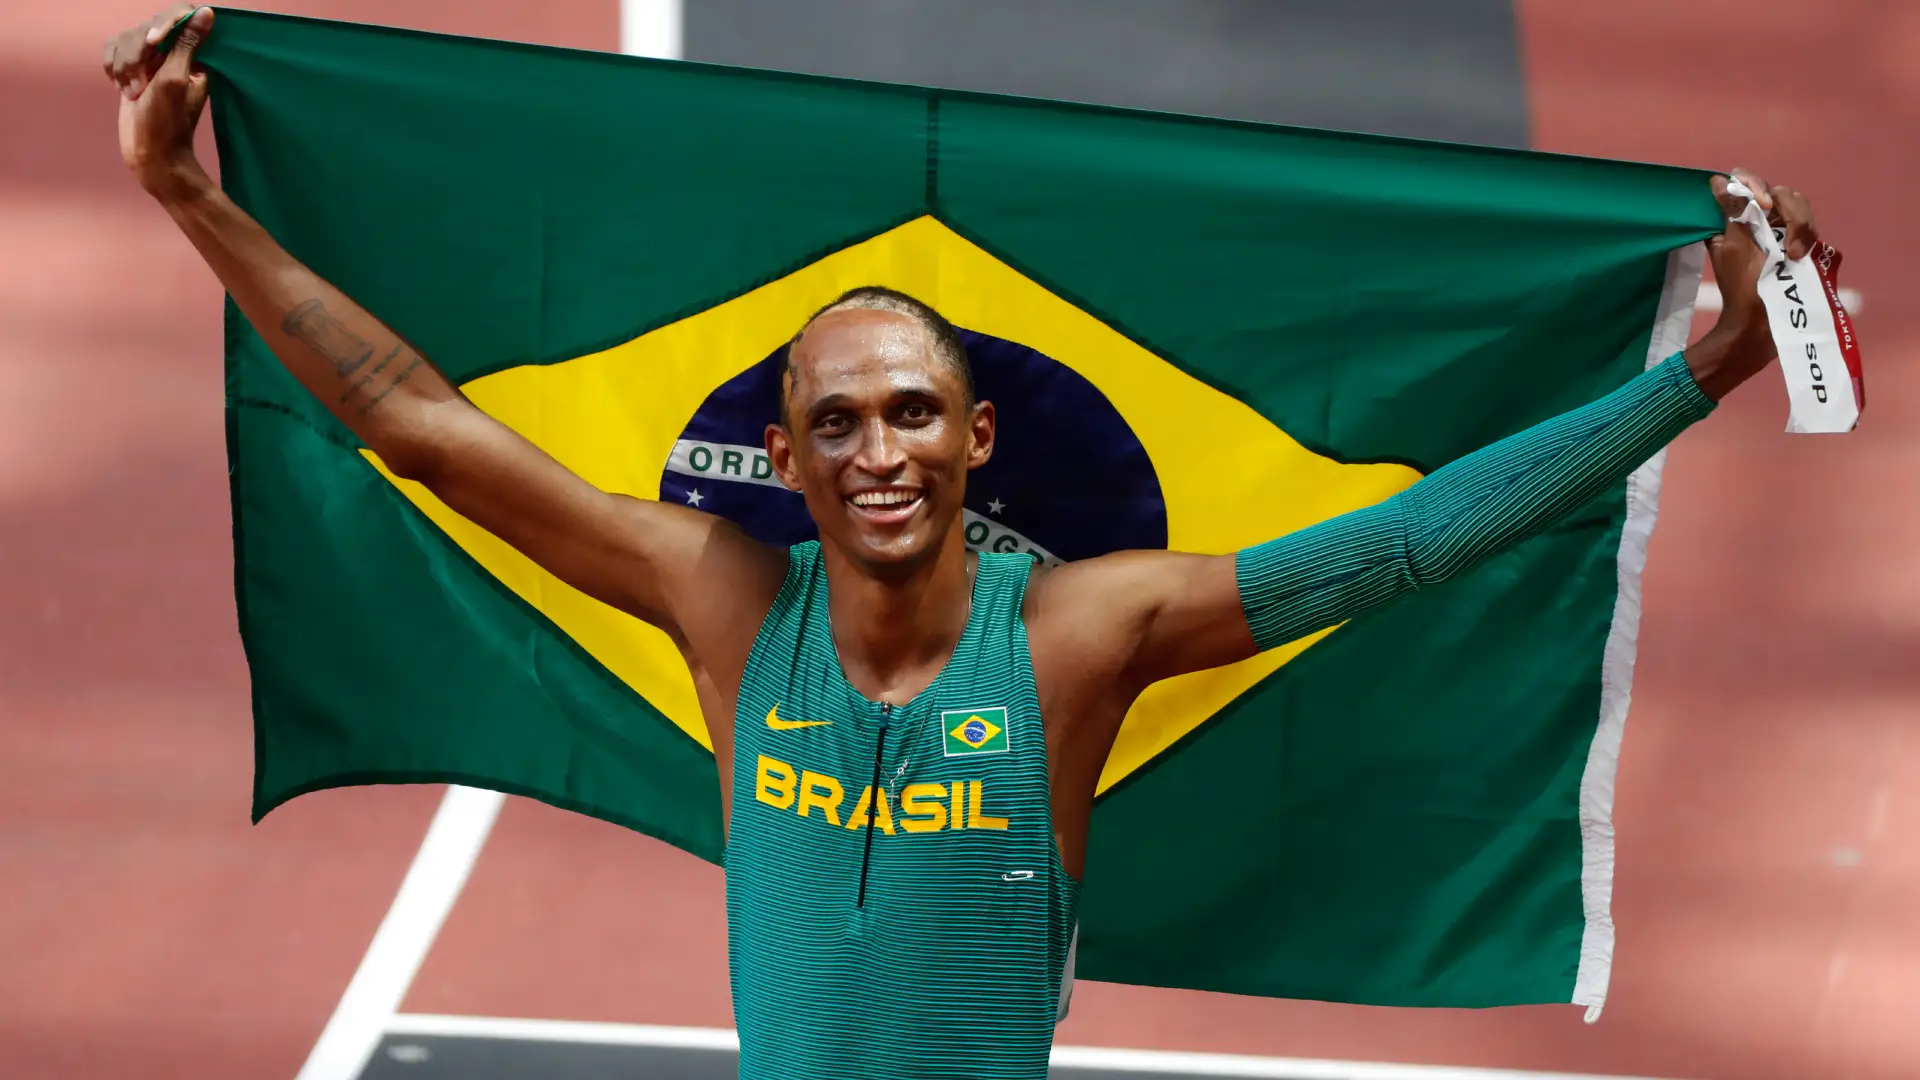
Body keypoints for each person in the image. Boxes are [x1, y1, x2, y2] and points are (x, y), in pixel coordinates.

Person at [107, 8, 1821, 1079]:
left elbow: (1401, 548)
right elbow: (412, 415)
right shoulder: (723, 599)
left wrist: (1695, 378)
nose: (878, 452)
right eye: (837, 421)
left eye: (914, 412)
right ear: (778, 452)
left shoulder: (1079, 634)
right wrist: (191, 197)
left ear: (978, 435)